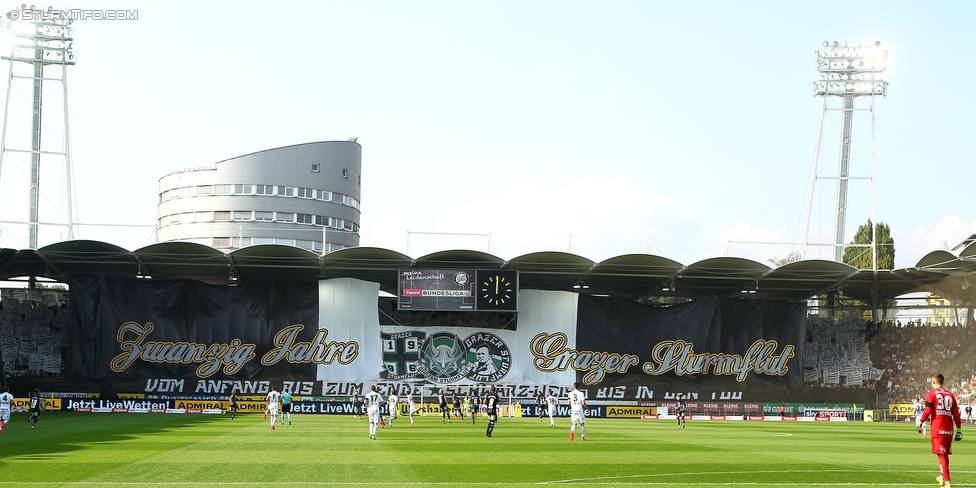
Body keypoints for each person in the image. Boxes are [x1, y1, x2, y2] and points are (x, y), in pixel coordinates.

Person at [918, 373, 962, 488]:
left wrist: (921, 421)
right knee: (945, 454)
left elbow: (927, 410)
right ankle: (942, 476)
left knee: (941, 454)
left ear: (933, 382)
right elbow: (956, 414)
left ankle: (947, 481)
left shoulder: (931, 394)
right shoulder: (951, 395)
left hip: (938, 428)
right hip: (949, 429)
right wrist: (959, 429)